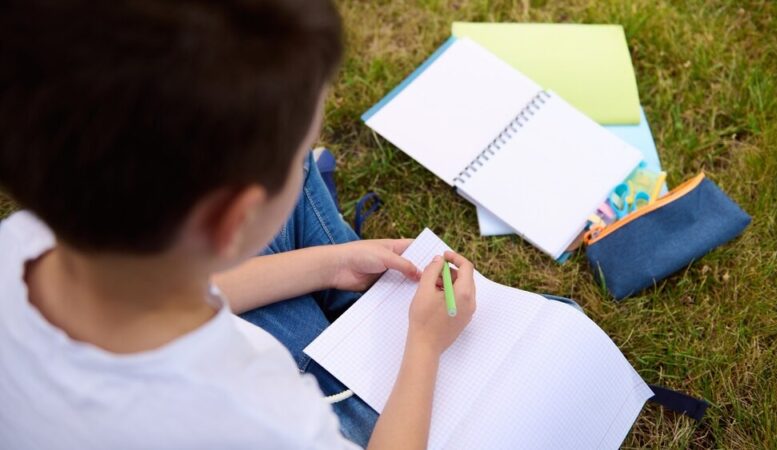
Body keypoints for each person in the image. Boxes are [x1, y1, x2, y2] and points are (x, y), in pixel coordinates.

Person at [0, 1, 477, 449]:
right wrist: (425, 345)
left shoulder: (21, 242)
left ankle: (337, 288)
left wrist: (332, 264)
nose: (300, 162)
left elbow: (188, 290)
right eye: (301, 151)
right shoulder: (264, 413)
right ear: (234, 219)